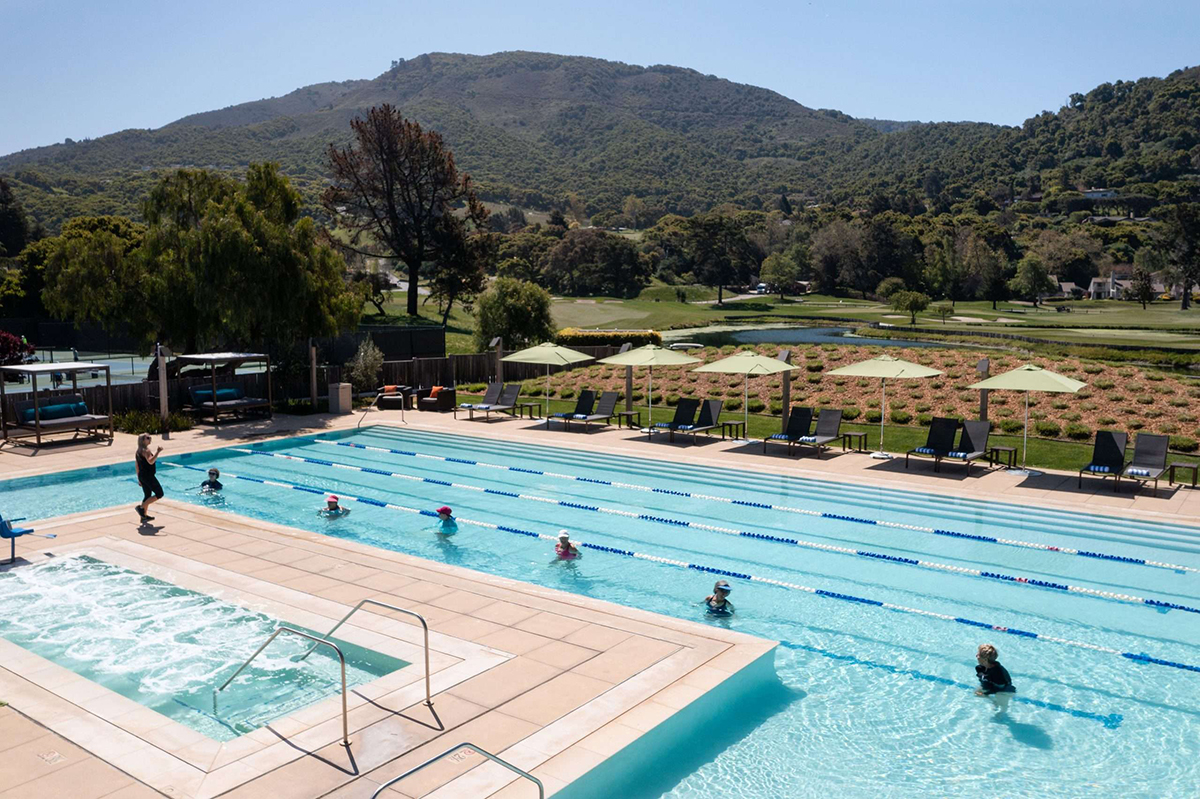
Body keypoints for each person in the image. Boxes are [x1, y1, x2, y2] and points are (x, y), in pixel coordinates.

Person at [135, 434, 163, 521]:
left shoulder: (138, 451)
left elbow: (137, 465)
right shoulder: (146, 450)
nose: (150, 439)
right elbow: (150, 461)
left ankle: (143, 517)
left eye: (150, 437)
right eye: (147, 438)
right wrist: (158, 452)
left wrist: (139, 478)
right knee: (159, 494)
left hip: (142, 476)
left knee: (147, 495)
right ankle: (141, 508)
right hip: (148, 476)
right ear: (143, 440)